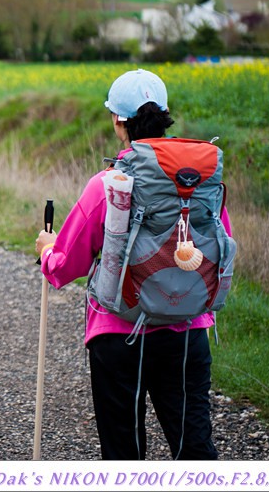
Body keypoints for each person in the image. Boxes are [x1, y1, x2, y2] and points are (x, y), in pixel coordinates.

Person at [34, 68, 230, 460]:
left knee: (124, 451)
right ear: (166, 114)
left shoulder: (107, 185)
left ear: (118, 121)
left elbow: (65, 265)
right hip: (187, 331)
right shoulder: (201, 182)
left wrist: (46, 249)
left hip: (119, 334)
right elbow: (217, 244)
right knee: (193, 445)